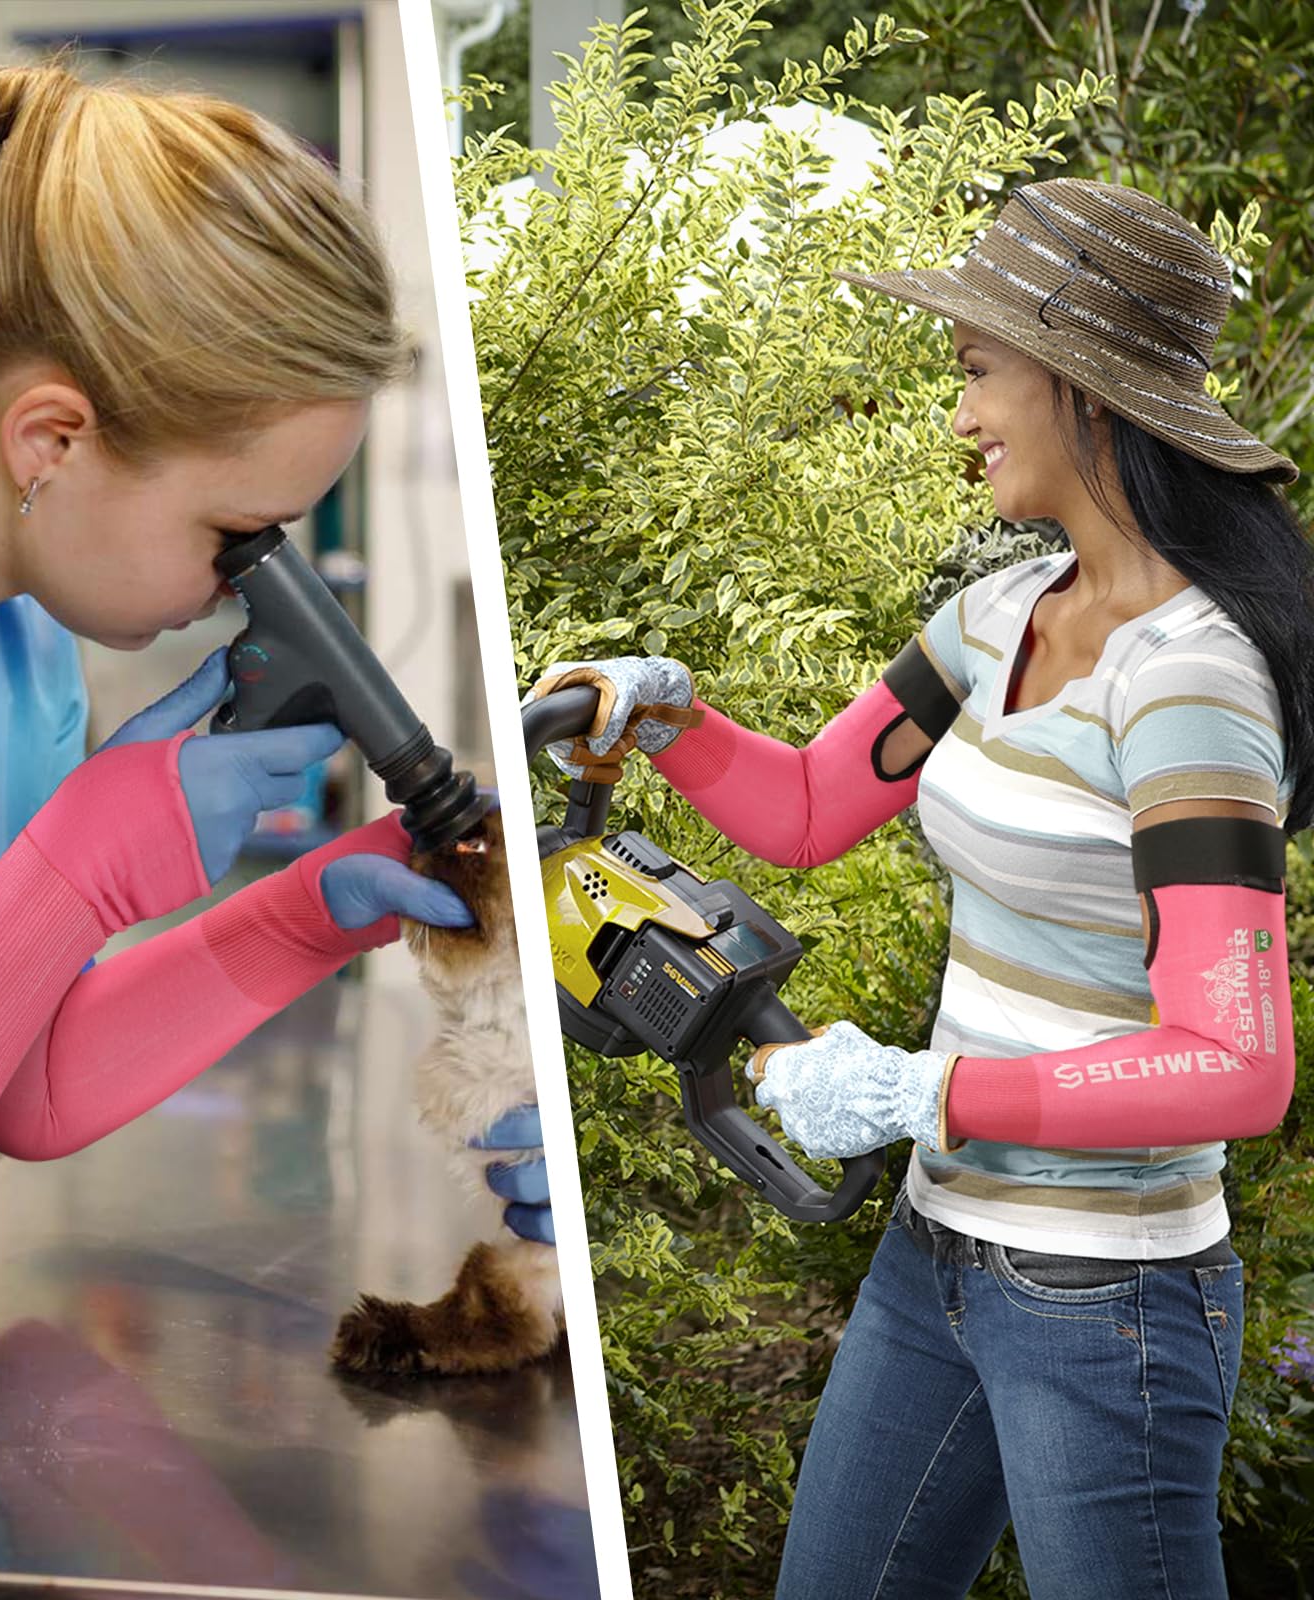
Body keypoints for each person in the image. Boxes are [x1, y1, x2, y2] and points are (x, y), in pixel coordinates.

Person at [528, 177, 1311, 1598]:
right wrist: (667, 718)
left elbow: (1239, 1068)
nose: (960, 417)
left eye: (975, 374)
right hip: (939, 1256)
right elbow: (816, 805)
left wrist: (920, 1093)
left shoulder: (1188, 681)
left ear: (1080, 388)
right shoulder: (1004, 615)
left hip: (1105, 1302)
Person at [0, 58, 488, 1377]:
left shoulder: (17, 654)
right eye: (238, 534)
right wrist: (81, 870)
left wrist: (303, 915)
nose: (249, 586)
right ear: (51, 442)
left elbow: (23, 1074)